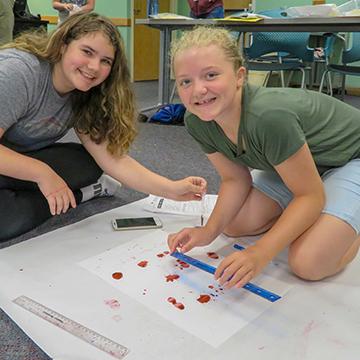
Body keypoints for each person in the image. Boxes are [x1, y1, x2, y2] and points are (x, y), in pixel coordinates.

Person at [168, 26, 360, 289]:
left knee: (309, 262)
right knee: (234, 225)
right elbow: (234, 179)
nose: (198, 90)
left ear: (239, 76)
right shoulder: (196, 121)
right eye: (185, 81)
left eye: (211, 75)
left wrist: (259, 253)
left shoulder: (268, 117)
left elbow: (311, 195)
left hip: (351, 156)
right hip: (302, 161)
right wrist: (208, 231)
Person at [0, 12, 206, 242]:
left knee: (88, 163)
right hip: (12, 162)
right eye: (87, 52)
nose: (94, 67)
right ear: (62, 45)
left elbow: (112, 159)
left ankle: (55, 191)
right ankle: (79, 195)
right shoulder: (19, 72)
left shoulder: (86, 92)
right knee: (5, 222)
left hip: (19, 160)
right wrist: (42, 174)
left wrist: (170, 189)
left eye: (105, 61)